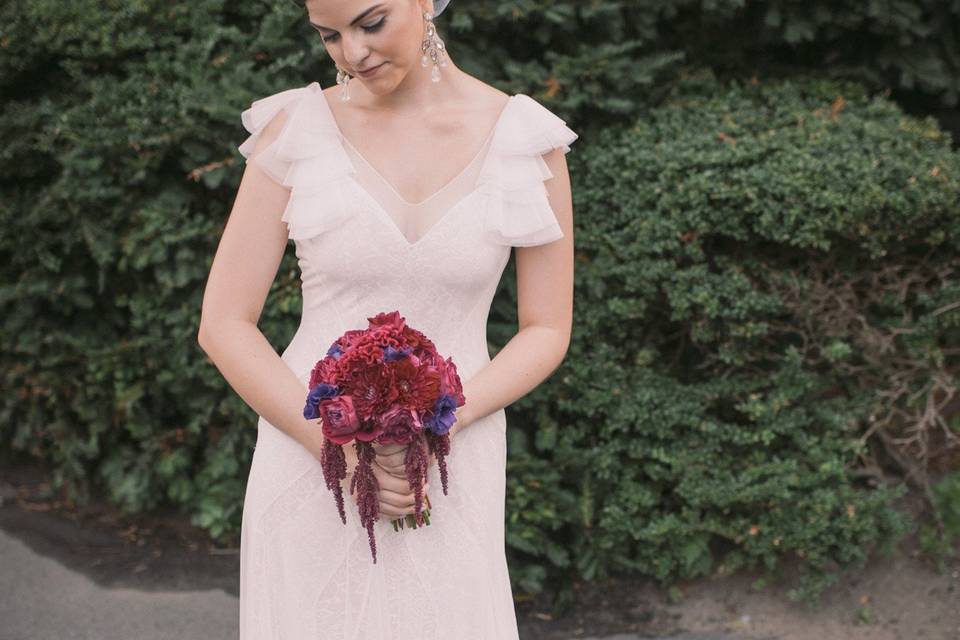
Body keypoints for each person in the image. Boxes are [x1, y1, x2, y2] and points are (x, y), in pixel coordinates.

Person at [197, 0, 578, 636]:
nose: (352, 53)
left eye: (370, 23)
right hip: (309, 452)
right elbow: (225, 322)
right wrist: (337, 450)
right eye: (329, 35)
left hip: (453, 458)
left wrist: (443, 420)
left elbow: (546, 328)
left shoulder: (522, 140)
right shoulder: (296, 128)